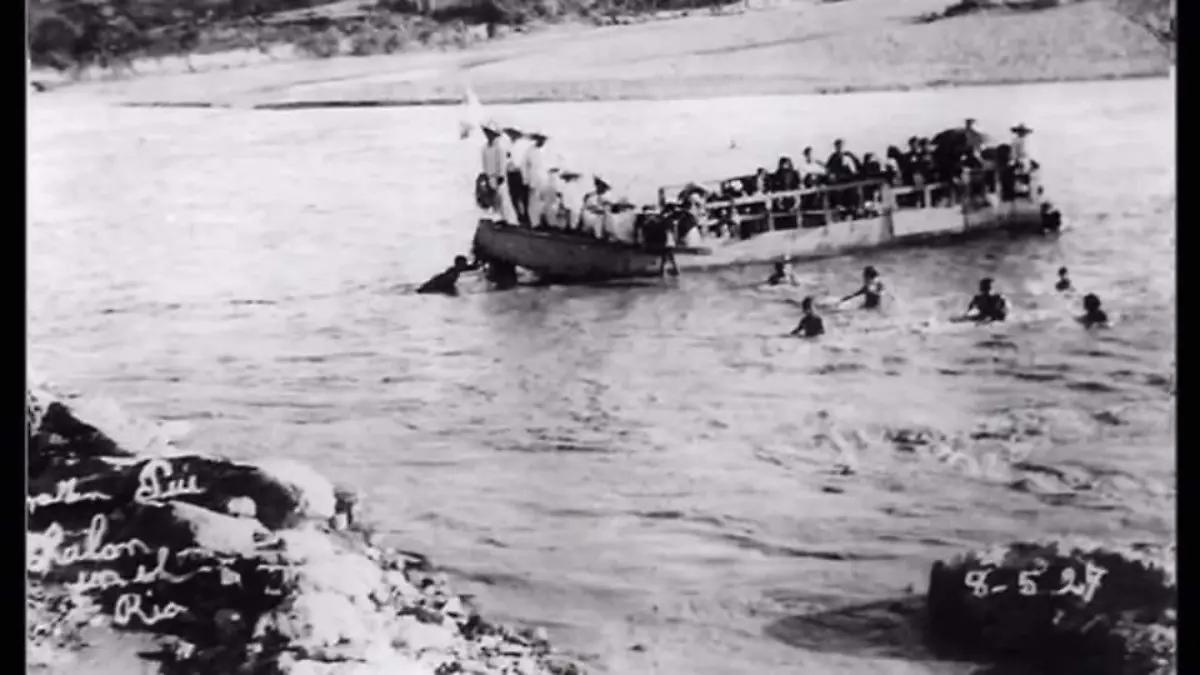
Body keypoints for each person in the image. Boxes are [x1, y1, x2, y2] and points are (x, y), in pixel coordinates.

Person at [480, 122, 517, 224]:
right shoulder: (484, 148)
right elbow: (484, 163)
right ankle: (499, 219)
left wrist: (500, 176)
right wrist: (486, 176)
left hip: (498, 176)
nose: (488, 135)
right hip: (490, 177)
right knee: (494, 200)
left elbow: (501, 162)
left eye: (490, 133)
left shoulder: (499, 147)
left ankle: (510, 221)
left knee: (503, 198)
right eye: (487, 133)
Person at [522, 131, 554, 228]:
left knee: (548, 202)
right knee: (534, 201)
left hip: (546, 180)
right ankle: (535, 223)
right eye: (539, 138)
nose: (541, 140)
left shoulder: (549, 151)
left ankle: (550, 222)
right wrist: (526, 179)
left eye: (542, 139)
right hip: (534, 179)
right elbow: (524, 166)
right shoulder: (530, 151)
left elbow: (553, 166)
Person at [503, 127, 531, 226]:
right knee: (513, 197)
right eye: (510, 134)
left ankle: (525, 217)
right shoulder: (508, 145)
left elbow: (520, 163)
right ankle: (519, 217)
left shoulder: (520, 147)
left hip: (519, 173)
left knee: (522, 197)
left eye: (513, 134)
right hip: (510, 174)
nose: (512, 136)